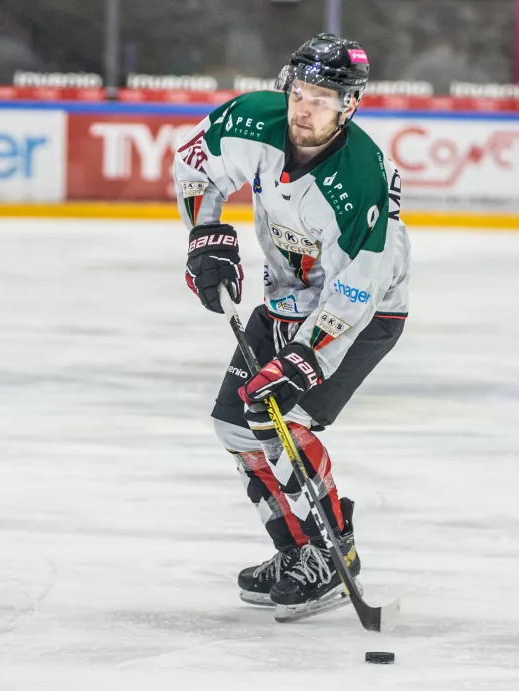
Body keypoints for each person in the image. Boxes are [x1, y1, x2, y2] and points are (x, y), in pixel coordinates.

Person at [172, 33, 410, 621]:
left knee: (280, 420)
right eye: (300, 92)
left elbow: (359, 286)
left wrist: (307, 357)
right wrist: (205, 234)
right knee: (235, 425)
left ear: (348, 106)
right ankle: (297, 552)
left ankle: (333, 555)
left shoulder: (358, 181)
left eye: (322, 100)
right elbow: (196, 163)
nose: (304, 108)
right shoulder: (255, 119)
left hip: (362, 314)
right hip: (286, 299)